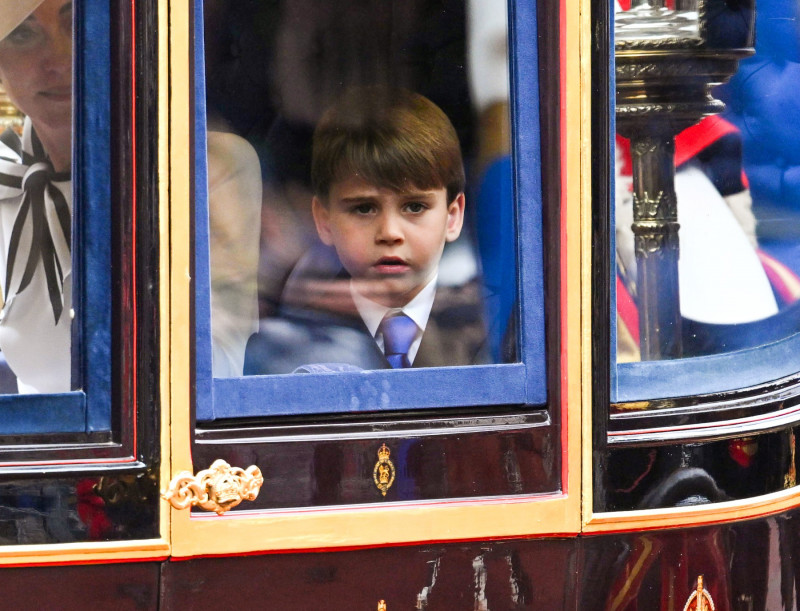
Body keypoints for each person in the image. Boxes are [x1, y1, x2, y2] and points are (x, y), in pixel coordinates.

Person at [0, 0, 259, 393]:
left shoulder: (206, 166)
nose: (57, 58)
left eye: (80, 24)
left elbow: (207, 376)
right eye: (23, 33)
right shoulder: (7, 183)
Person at [245, 87, 488, 373]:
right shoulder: (282, 340)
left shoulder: (497, 325)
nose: (389, 232)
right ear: (324, 221)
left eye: (414, 207)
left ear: (453, 217)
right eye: (363, 209)